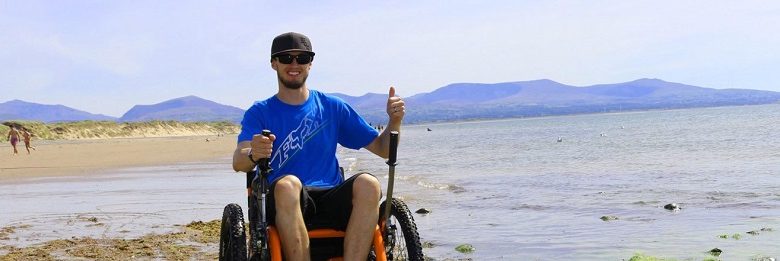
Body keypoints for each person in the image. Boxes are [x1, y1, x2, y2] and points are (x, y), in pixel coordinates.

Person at [232, 32, 405, 261]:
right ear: (274, 63)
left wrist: (394, 122)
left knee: (369, 184)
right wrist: (254, 153)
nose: (294, 64)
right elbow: (239, 161)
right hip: (285, 200)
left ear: (310, 64)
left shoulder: (332, 107)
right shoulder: (260, 112)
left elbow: (383, 149)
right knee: (288, 184)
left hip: (330, 195)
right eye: (286, 58)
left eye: (302, 58)